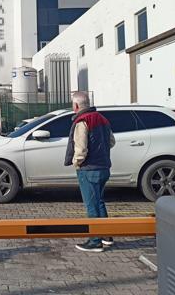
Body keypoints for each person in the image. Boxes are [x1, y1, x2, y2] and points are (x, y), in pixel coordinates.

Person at [64, 91, 115, 253]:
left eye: (73, 104)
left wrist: (76, 163)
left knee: (91, 205)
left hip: (89, 169)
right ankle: (107, 235)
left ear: (76, 106)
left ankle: (95, 241)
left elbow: (81, 148)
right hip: (104, 167)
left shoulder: (82, 121)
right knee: (99, 202)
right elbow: (111, 141)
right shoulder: (102, 119)